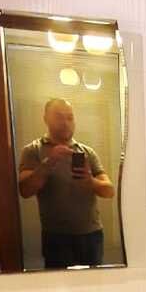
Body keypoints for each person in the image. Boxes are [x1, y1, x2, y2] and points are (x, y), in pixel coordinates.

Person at [19, 98, 115, 269]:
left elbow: (109, 191)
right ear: (45, 119)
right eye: (59, 117)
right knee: (58, 284)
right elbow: (25, 190)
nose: (65, 123)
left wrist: (90, 181)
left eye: (70, 117)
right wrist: (49, 162)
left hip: (91, 235)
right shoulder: (33, 150)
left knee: (94, 283)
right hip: (56, 237)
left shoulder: (86, 152)